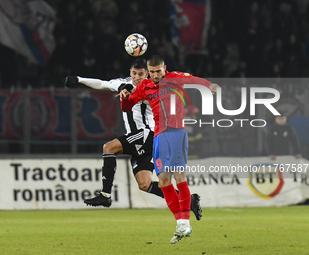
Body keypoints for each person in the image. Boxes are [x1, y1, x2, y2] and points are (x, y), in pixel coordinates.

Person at [64, 58, 202, 221]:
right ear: (130, 73)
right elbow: (102, 84)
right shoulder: (123, 83)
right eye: (134, 74)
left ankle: (105, 194)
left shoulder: (150, 88)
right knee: (144, 184)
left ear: (147, 74)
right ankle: (189, 200)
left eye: (141, 74)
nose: (137, 77)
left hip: (147, 134)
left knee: (109, 148)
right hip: (138, 140)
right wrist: (79, 80)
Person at [119, 55, 218, 244]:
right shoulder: (144, 86)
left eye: (159, 71)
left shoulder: (174, 78)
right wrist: (124, 98)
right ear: (149, 72)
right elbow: (128, 106)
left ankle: (185, 222)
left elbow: (195, 80)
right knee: (164, 183)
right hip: (159, 137)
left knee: (179, 177)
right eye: (153, 72)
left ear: (165, 68)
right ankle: (181, 224)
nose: (156, 75)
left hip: (176, 133)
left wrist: (210, 85)